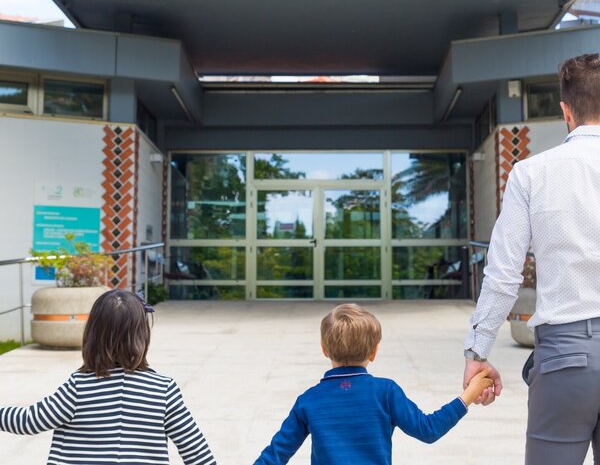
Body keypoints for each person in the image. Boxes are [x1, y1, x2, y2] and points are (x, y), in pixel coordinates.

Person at [463, 53, 600, 464]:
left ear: (566, 111)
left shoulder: (530, 174)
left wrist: (477, 352)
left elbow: (504, 275)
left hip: (566, 357)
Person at [254, 303, 493, 464]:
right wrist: (468, 396)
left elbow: (276, 455)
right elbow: (428, 430)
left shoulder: (308, 400)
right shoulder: (386, 392)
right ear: (374, 352)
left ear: (324, 349)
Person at [0, 290, 216, 465]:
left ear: (92, 335)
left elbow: (29, 421)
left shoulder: (79, 388)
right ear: (142, 336)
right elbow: (197, 453)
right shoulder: (163, 390)